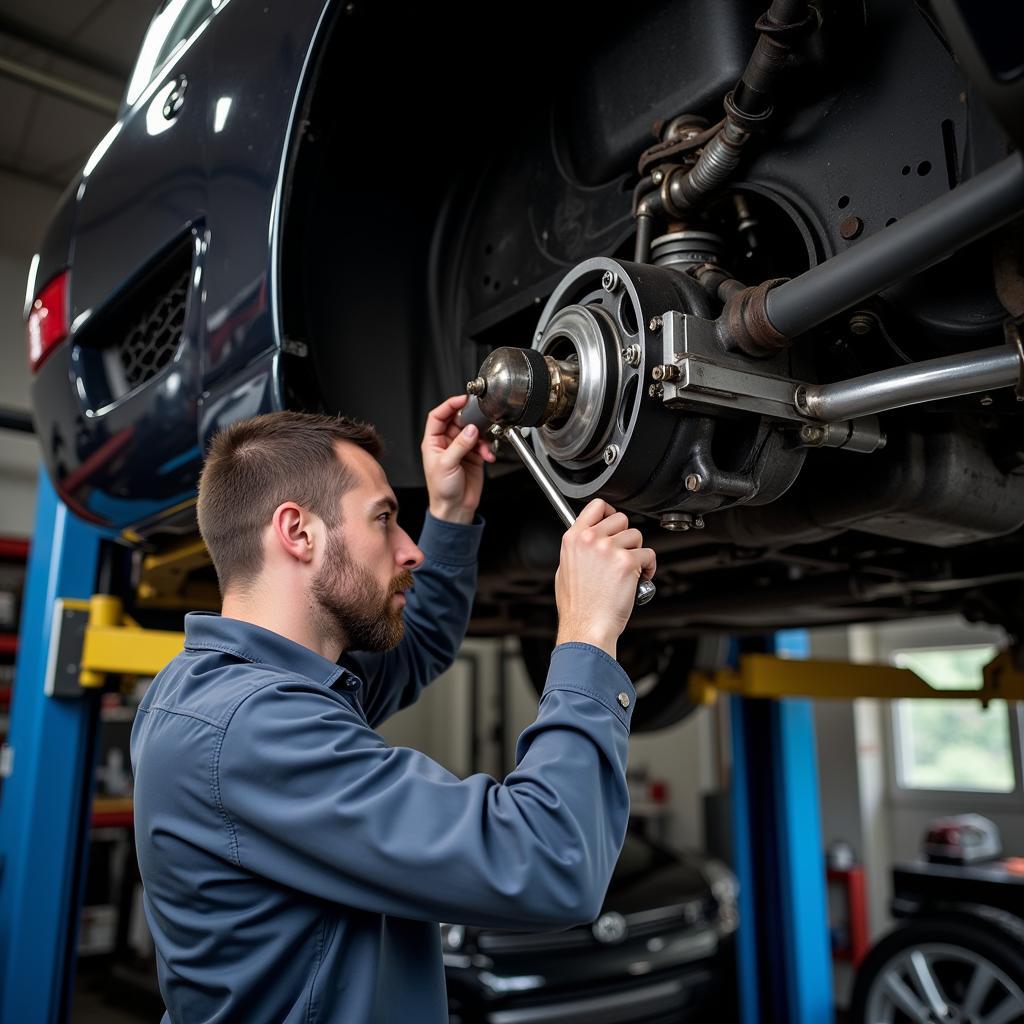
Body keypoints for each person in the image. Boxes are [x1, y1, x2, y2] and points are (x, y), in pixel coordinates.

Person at [131, 393, 656, 1024]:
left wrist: (451, 510)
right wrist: (587, 635)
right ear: (298, 531)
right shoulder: (250, 728)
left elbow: (417, 644)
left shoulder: (220, 689)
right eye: (383, 518)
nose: (410, 550)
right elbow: (550, 860)